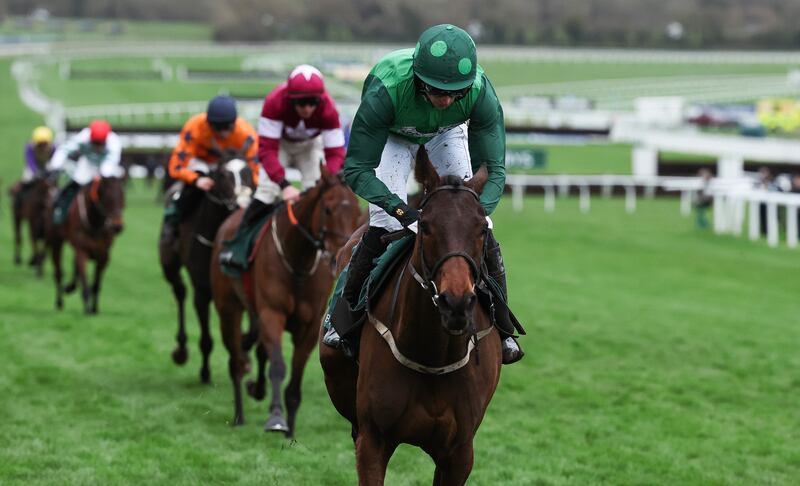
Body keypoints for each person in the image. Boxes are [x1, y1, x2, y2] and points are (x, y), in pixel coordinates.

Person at [322, 24, 524, 364]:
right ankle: (343, 317)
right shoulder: (386, 89)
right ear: (418, 78)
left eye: (454, 94)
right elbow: (356, 170)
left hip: (445, 132)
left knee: (480, 224)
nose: (446, 99)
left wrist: (474, 213)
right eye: (436, 90)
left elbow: (494, 171)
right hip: (393, 133)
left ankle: (503, 327)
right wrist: (402, 212)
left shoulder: (479, 92)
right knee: (385, 223)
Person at [219, 64, 346, 270]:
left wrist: (327, 178)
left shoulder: (329, 109)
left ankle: (324, 252)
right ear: (289, 98)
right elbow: (267, 150)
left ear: (320, 99)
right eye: (301, 102)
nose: (307, 108)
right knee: (267, 191)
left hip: (310, 147)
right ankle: (237, 246)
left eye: (313, 102)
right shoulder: (274, 102)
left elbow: (335, 153)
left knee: (317, 192)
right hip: (280, 145)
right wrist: (284, 185)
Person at [162, 95, 260, 241]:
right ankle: (173, 220)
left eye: (228, 127)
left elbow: (255, 171)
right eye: (218, 128)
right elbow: (176, 167)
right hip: (201, 163)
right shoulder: (194, 127)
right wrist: (196, 180)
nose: (223, 133)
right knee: (193, 184)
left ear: (235, 123)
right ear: (209, 123)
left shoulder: (247, 134)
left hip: (231, 166)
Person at [49, 120, 122, 225]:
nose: (97, 147)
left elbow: (110, 163)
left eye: (100, 144)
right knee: (75, 185)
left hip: (106, 167)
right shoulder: (83, 137)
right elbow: (64, 149)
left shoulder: (114, 142)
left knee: (112, 191)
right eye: (95, 143)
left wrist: (101, 175)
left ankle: (114, 216)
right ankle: (61, 210)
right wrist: (55, 165)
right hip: (87, 163)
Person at [12, 126, 57, 210]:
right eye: (40, 144)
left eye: (45, 144)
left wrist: (50, 170)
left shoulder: (54, 147)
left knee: (54, 185)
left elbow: (55, 160)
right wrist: (36, 172)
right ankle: (18, 200)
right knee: (26, 179)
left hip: (47, 167)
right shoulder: (30, 147)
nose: (43, 146)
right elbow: (30, 162)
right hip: (34, 168)